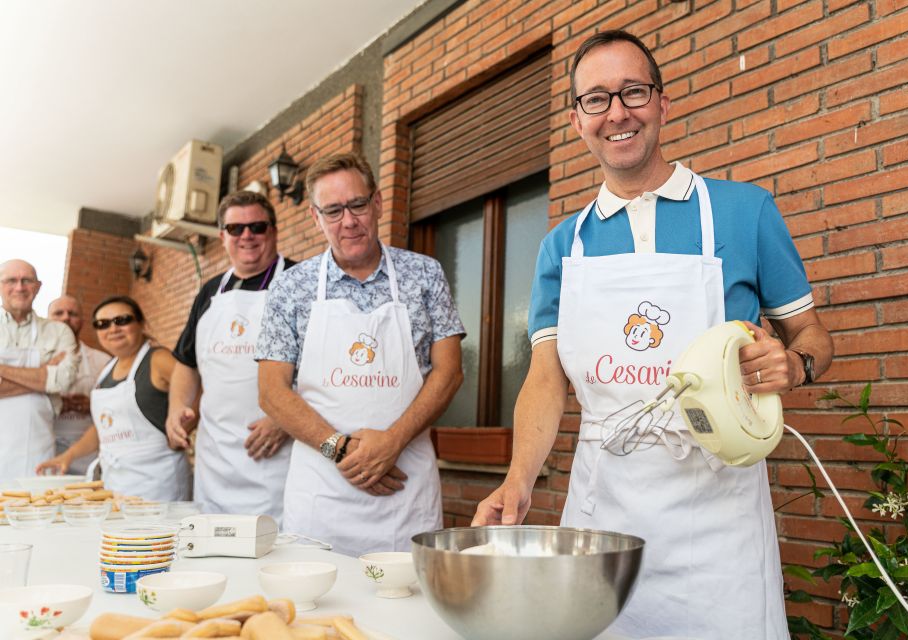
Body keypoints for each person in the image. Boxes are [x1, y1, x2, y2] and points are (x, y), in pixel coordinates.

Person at [471, 31, 834, 640]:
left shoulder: (745, 212)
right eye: (596, 99)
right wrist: (517, 480)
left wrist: (796, 366)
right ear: (577, 119)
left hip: (719, 519)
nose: (617, 112)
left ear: (662, 104)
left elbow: (813, 336)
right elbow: (544, 378)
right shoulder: (563, 246)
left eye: (633, 91)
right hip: (602, 514)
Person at [257, 152, 465, 557]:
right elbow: (271, 391)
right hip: (322, 493)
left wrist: (393, 442)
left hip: (405, 490)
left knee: (404, 610)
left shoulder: (424, 274)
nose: (348, 221)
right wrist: (340, 448)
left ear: (378, 203)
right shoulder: (290, 286)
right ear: (316, 218)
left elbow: (450, 372)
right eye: (333, 211)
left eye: (357, 205)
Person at [166, 191, 295, 521]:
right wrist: (177, 408)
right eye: (236, 229)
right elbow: (186, 363)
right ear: (223, 236)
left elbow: (325, 367)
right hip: (217, 461)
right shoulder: (210, 291)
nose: (247, 236)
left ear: (274, 230)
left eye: (257, 227)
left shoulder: (300, 282)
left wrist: (286, 419)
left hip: (280, 456)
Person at [37, 296, 192, 501]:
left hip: (158, 484)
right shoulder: (107, 369)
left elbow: (199, 389)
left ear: (141, 323)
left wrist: (184, 426)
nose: (113, 329)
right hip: (116, 485)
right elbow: (104, 428)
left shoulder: (158, 359)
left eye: (122, 320)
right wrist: (68, 456)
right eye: (103, 324)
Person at [0, 259, 78, 482]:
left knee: (36, 508)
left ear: (38, 286)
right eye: (11, 281)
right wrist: (42, 374)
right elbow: (48, 380)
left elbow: (61, 381)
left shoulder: (59, 331)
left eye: (27, 280)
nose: (19, 287)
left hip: (37, 448)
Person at [48, 295, 112, 475]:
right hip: (46, 447)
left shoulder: (103, 361)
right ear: (47, 321)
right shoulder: (35, 359)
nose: (66, 317)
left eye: (72, 313)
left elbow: (116, 409)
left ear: (82, 321)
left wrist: (91, 405)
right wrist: (53, 403)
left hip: (89, 452)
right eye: (58, 313)